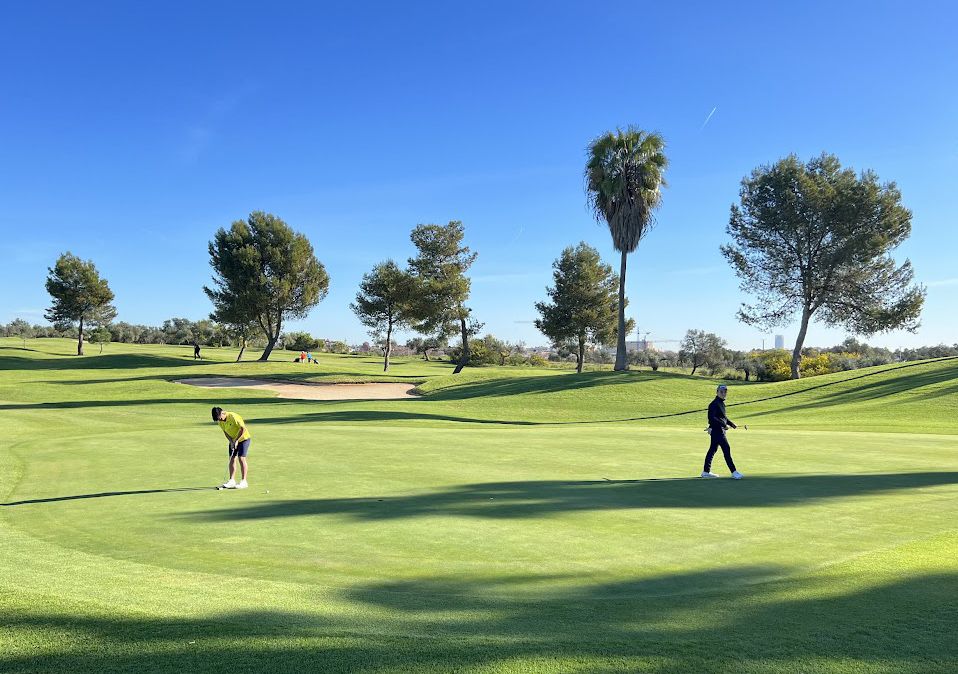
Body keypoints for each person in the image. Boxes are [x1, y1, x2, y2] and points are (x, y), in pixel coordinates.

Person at [701, 385, 744, 479]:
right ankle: (734, 472)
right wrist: (724, 425)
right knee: (726, 449)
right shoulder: (714, 404)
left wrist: (731, 424)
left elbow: (723, 417)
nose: (723, 393)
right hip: (718, 431)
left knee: (712, 450)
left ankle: (705, 471)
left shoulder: (721, 403)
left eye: (725, 392)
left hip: (719, 430)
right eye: (721, 392)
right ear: (717, 392)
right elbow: (712, 418)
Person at [212, 406, 251, 489]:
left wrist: (237, 440)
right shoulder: (220, 421)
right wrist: (231, 441)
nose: (220, 420)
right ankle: (231, 481)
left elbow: (243, 429)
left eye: (220, 418)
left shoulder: (233, 416)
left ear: (222, 412)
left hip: (244, 439)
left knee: (241, 458)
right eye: (218, 419)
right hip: (233, 440)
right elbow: (225, 432)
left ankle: (244, 481)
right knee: (232, 458)